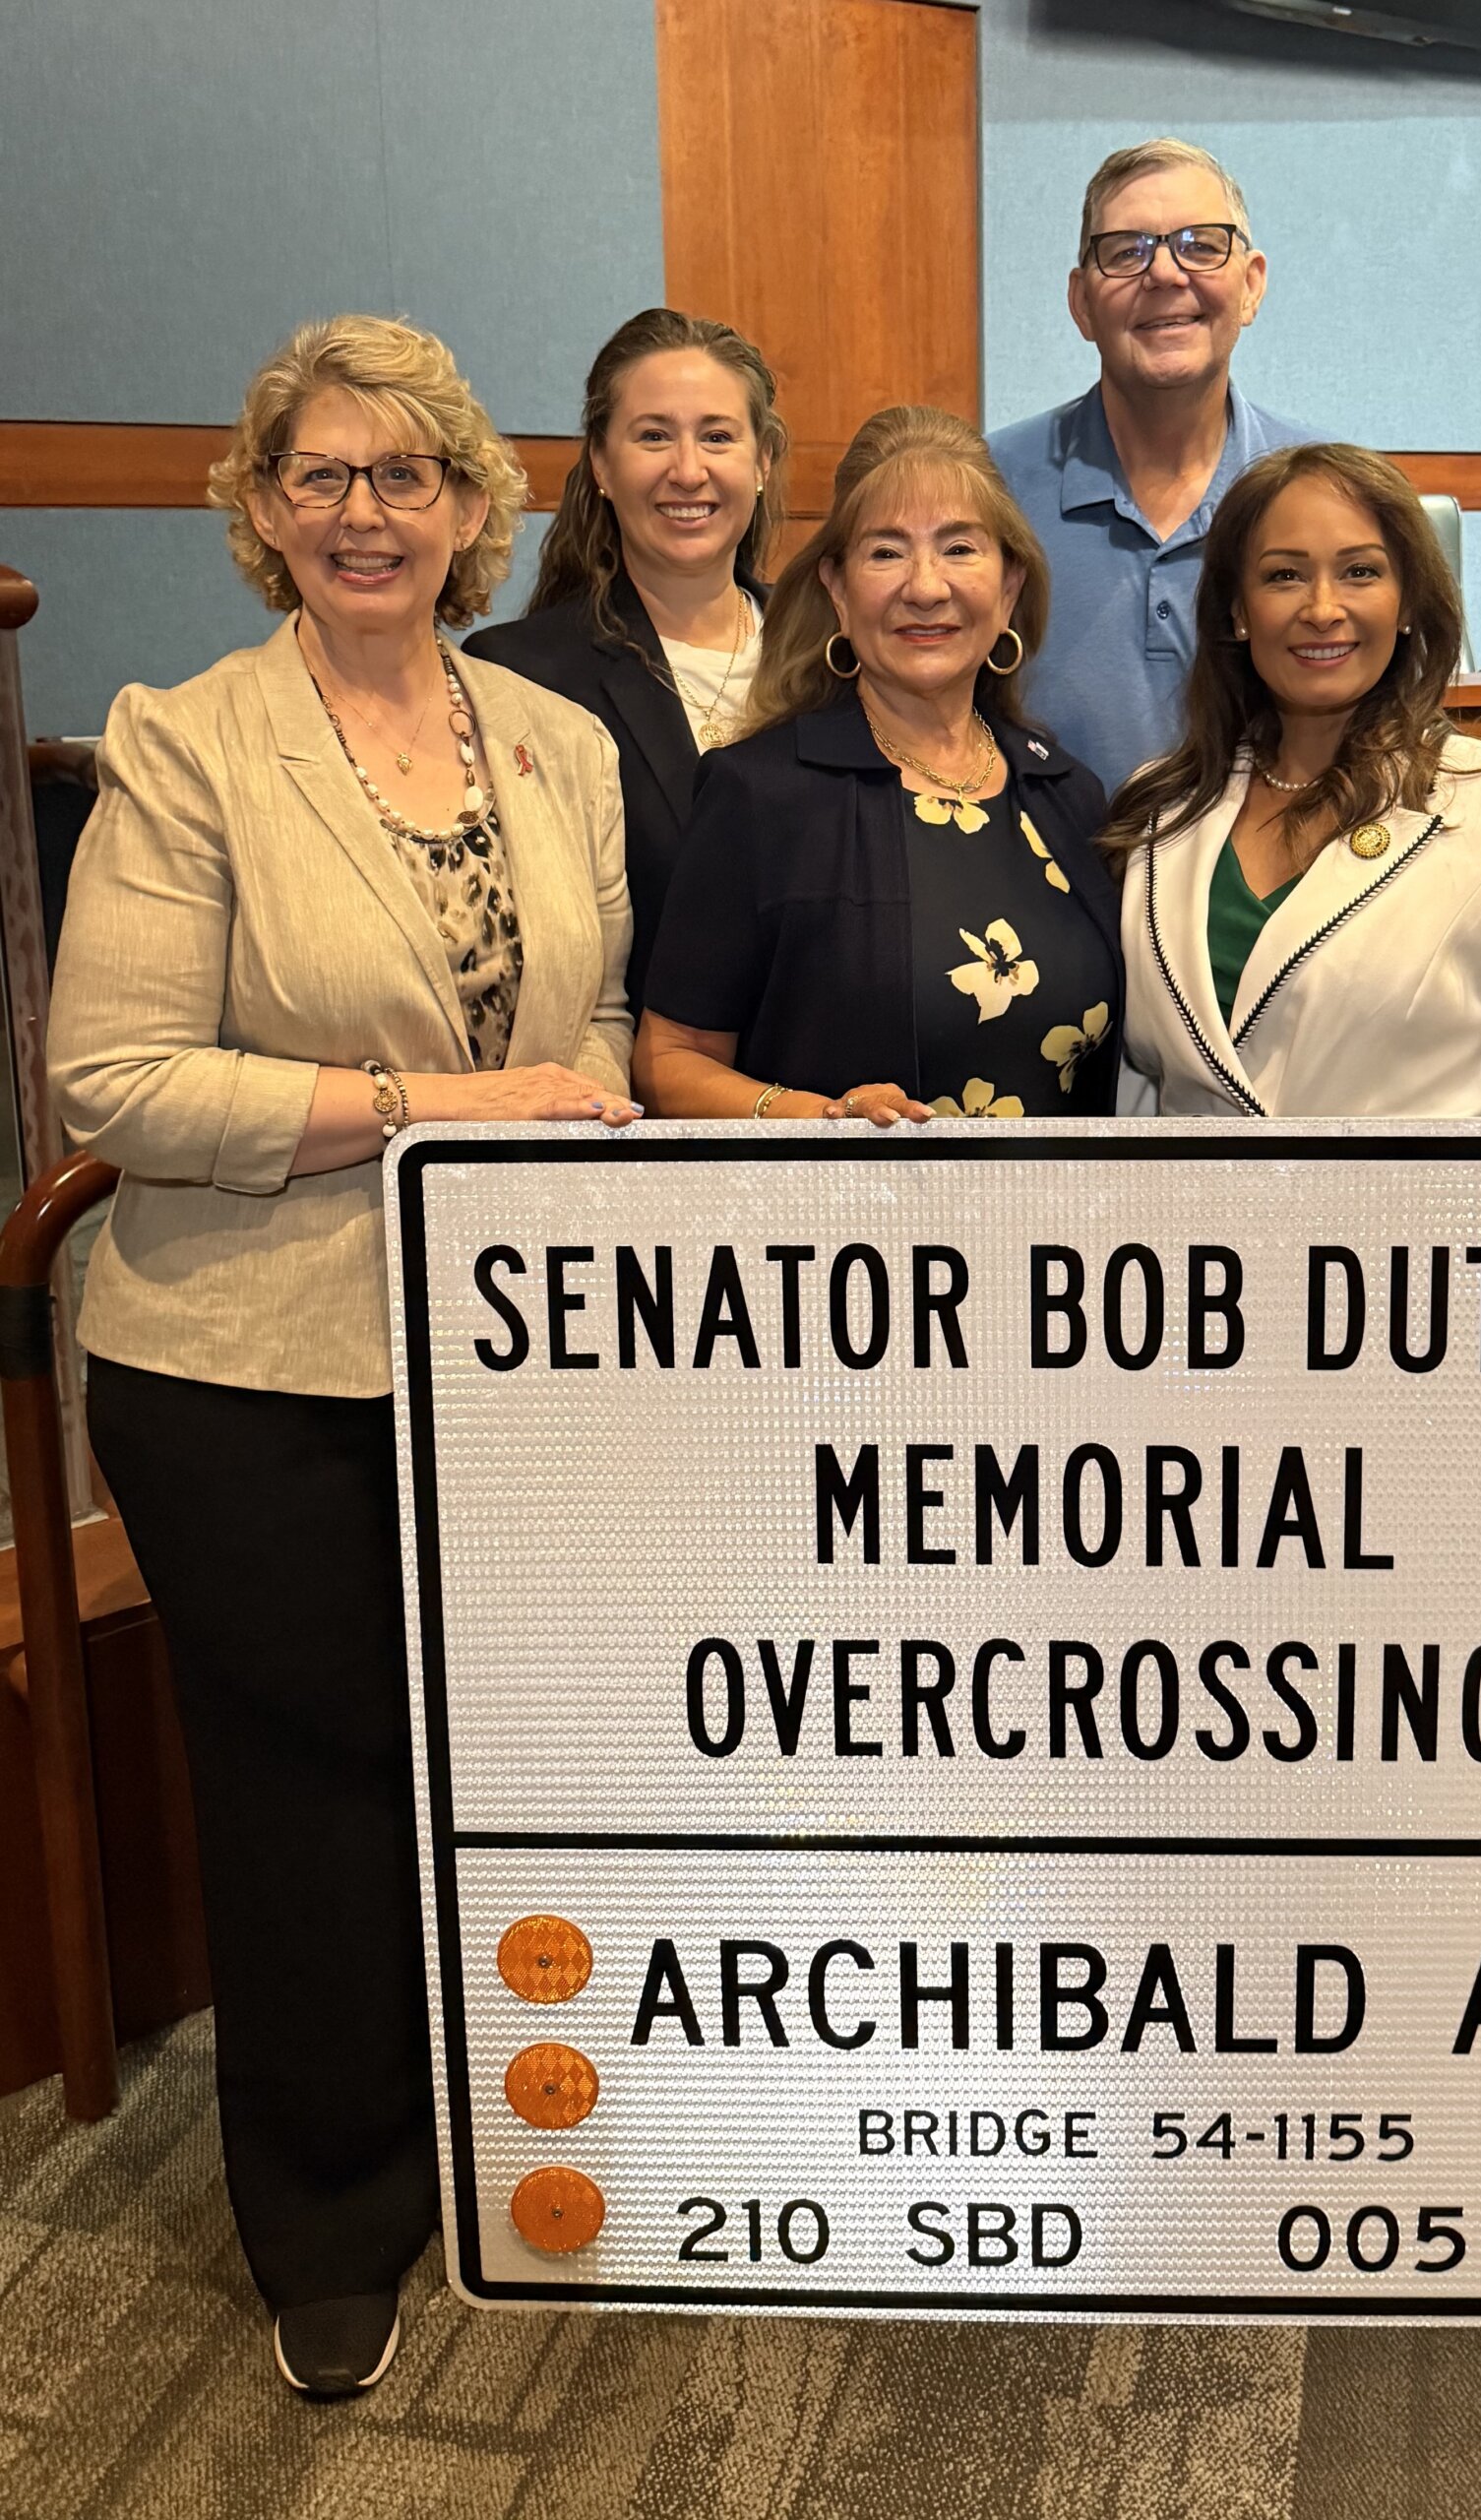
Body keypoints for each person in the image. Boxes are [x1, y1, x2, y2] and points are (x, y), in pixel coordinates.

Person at [46, 314, 639, 2398]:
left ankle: (520, 2146)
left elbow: (606, 1032)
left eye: (408, 475)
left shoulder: (560, 745)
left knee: (515, 1784)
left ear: (476, 510)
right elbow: (114, 1074)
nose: (366, 510)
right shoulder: (190, 737)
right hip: (253, 1367)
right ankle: (330, 2216)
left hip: (521, 1375)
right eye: (323, 475)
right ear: (264, 510)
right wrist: (423, 1107)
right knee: (311, 1803)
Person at [1111, 440, 1481, 1120]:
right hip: (1193, 1226)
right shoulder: (1162, 805)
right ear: (1237, 609)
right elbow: (1136, 1091)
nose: (1322, 607)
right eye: (1284, 575)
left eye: (1360, 572)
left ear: (1407, 603)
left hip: (1417, 1226)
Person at [636, 407, 1122, 1125]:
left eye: (959, 549)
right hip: (844, 1228)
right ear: (836, 586)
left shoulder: (1069, 797)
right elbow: (667, 1059)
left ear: (1010, 585)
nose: (925, 587)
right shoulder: (761, 794)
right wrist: (811, 1119)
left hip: (1058, 1231)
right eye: (887, 552)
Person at [465, 307, 785, 1016]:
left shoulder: (836, 657)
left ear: (761, 462)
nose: (688, 470)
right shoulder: (519, 677)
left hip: (850, 1104)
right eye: (653, 437)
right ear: (602, 466)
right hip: (634, 1103)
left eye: (718, 436)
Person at [988, 137, 1316, 800]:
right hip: (1044, 895)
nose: (1165, 274)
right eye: (1127, 251)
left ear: (1251, 286)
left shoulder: (1327, 493)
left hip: (1281, 897)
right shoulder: (987, 487)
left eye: (1200, 245)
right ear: (1082, 303)